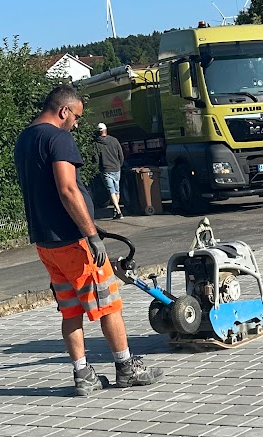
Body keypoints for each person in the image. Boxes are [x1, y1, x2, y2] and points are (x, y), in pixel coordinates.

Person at [14, 86, 157, 396]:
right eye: (76, 117)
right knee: (109, 305)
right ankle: (126, 367)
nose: (76, 124)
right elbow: (67, 189)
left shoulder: (24, 139)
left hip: (46, 243)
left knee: (70, 310)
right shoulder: (58, 138)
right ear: (63, 111)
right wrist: (91, 234)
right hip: (73, 241)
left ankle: (82, 374)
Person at [89, 122, 125, 220]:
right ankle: (116, 211)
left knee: (111, 190)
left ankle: (118, 211)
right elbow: (121, 155)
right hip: (116, 168)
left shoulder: (96, 144)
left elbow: (96, 159)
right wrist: (119, 165)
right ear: (106, 130)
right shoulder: (114, 140)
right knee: (116, 190)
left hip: (105, 169)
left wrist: (96, 169)